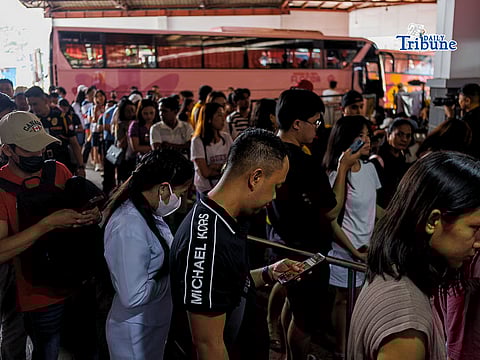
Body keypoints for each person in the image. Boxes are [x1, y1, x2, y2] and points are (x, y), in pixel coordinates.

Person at [170, 128, 302, 360]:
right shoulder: (208, 242)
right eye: (276, 186)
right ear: (256, 177)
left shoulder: (225, 218)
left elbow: (228, 285)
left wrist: (270, 272)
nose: (274, 197)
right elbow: (208, 345)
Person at [348, 151, 480, 359]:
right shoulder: (407, 325)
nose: (478, 242)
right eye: (474, 228)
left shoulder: (393, 273)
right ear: (432, 221)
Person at [0, 111, 100, 360]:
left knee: (67, 348)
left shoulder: (58, 171)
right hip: (25, 291)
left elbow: (80, 211)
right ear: (8, 150)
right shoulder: (1, 187)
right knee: (30, 348)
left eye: (41, 147)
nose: (38, 155)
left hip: (65, 284)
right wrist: (46, 225)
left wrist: (90, 216)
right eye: (29, 149)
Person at [267, 89, 356, 360]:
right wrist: (342, 169)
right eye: (316, 122)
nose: (319, 128)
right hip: (307, 252)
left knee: (293, 308)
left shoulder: (268, 151)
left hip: (279, 241)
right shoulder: (304, 164)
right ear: (297, 124)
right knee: (305, 321)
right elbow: (331, 211)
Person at [103, 149, 194, 360]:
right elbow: (133, 295)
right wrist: (173, 277)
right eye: (179, 193)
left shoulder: (148, 213)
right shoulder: (128, 225)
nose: (180, 200)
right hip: (133, 334)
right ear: (164, 188)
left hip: (150, 325)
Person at [322, 115, 381, 359]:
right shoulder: (335, 174)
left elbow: (374, 208)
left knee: (360, 300)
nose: (367, 140)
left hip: (366, 247)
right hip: (344, 249)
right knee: (343, 299)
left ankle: (355, 345)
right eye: (361, 136)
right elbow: (331, 219)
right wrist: (353, 251)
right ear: (347, 140)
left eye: (368, 135)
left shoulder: (370, 168)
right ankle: (341, 348)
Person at [25, 86, 86, 177]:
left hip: (62, 163)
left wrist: (80, 167)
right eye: (30, 105)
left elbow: (74, 143)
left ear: (45, 100)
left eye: (35, 104)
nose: (33, 108)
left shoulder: (62, 118)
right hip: (40, 166)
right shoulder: (29, 121)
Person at [190, 102, 233, 196]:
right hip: (206, 191)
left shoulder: (226, 138)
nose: (223, 119)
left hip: (224, 188)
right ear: (209, 119)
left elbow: (233, 166)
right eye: (219, 115)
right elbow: (205, 172)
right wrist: (223, 167)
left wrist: (214, 167)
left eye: (223, 115)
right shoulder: (197, 141)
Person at [374, 118, 415, 208]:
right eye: (399, 135)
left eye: (408, 136)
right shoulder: (378, 159)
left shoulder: (401, 156)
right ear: (389, 135)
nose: (404, 139)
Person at [445, 83, 480, 159]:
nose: (458, 102)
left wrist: (450, 117)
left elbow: (452, 140)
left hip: (470, 161)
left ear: (467, 100)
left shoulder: (468, 120)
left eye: (460, 99)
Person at [127, 99, 159, 163]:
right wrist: (155, 148)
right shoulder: (135, 125)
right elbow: (136, 147)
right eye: (145, 113)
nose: (149, 116)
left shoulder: (158, 124)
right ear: (140, 113)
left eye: (151, 113)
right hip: (141, 160)